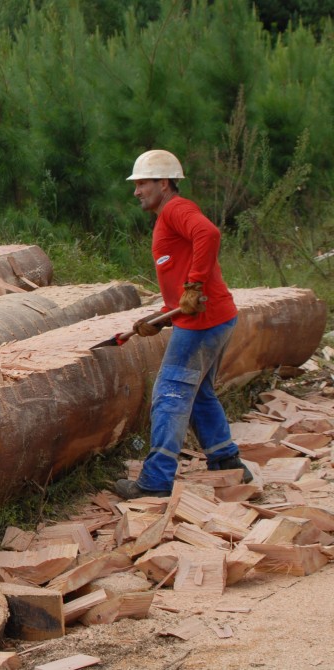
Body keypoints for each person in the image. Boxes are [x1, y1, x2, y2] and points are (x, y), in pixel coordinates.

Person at [114, 149, 252, 499]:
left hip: (202, 321)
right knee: (200, 393)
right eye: (136, 184)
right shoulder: (167, 216)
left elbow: (209, 234)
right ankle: (226, 463)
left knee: (169, 393)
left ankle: (156, 480)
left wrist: (194, 284)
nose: (137, 191)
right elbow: (183, 272)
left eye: (143, 183)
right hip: (213, 317)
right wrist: (162, 316)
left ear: (164, 183)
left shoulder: (177, 209)